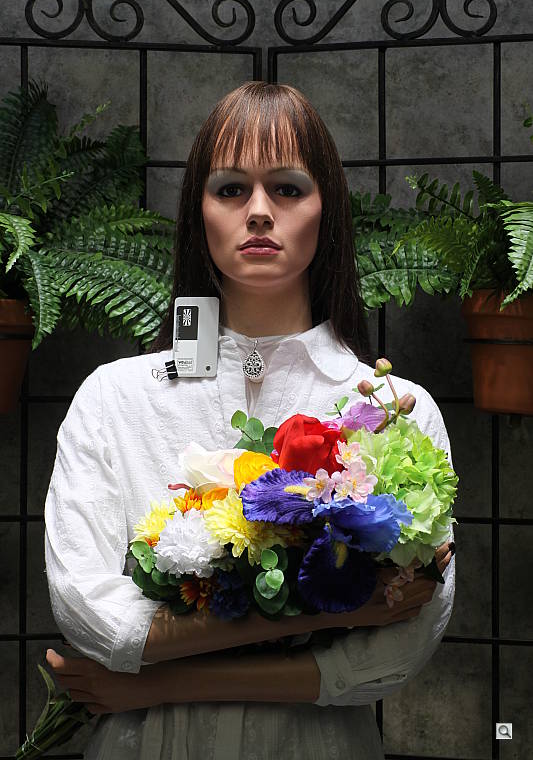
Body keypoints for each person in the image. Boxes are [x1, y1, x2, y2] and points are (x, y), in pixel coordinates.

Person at [44, 81, 455, 760]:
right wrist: (346, 608)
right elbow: (91, 617)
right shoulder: (114, 399)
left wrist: (158, 684)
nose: (259, 212)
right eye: (231, 189)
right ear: (197, 211)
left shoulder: (394, 411)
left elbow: (397, 656)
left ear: (326, 209)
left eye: (288, 188)